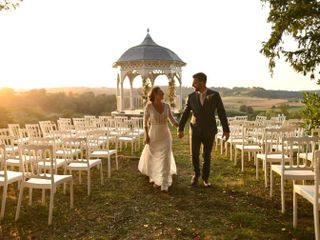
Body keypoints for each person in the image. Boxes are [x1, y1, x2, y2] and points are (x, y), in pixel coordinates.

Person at [178, 72, 230, 187]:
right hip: (195, 129)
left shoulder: (215, 95)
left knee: (207, 155)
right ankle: (196, 174)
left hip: (209, 130)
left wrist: (226, 130)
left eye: (195, 82)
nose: (192, 84)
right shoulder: (191, 97)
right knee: (194, 154)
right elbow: (186, 113)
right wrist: (180, 128)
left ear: (202, 82)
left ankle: (205, 179)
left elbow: (221, 112)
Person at [138, 86, 179, 192]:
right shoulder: (149, 106)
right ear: (155, 94)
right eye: (161, 92)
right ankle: (156, 179)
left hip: (165, 135)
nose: (163, 94)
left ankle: (164, 182)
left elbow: (171, 119)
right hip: (154, 134)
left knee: (165, 157)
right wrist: (146, 135)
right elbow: (145, 123)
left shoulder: (166, 106)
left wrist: (179, 126)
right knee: (154, 157)